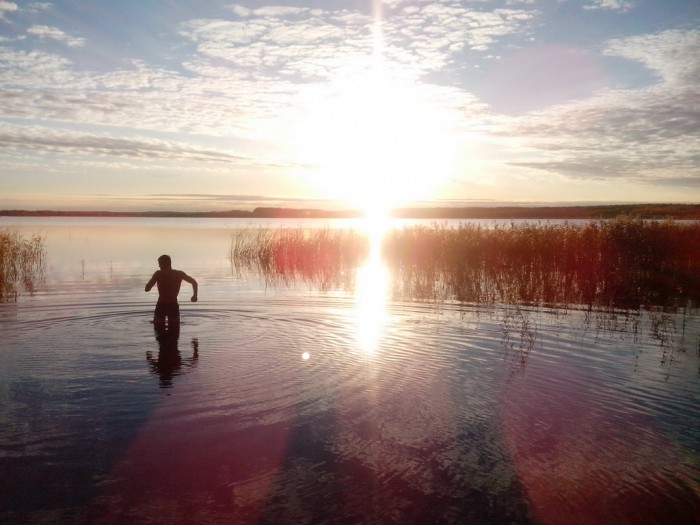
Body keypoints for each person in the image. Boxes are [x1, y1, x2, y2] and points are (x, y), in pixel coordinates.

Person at [145, 254, 198, 329]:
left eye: (160, 264)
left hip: (161, 305)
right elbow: (194, 282)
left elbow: (147, 289)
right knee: (174, 331)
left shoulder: (158, 274)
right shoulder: (178, 274)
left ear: (165, 263)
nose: (159, 266)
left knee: (158, 330)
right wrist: (195, 295)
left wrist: (150, 284)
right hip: (173, 305)